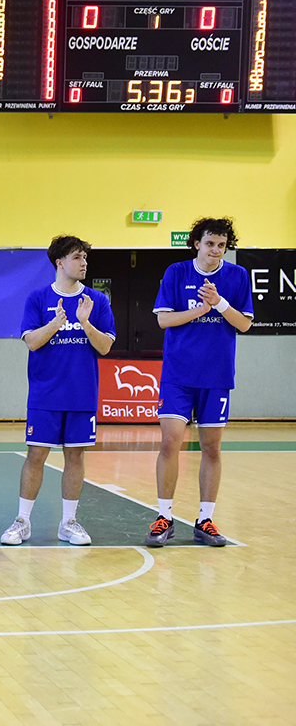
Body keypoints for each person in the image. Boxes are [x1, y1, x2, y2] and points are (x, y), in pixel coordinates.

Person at [1, 236, 114, 547]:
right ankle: (22, 521)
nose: (84, 262)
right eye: (77, 257)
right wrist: (55, 323)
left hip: (82, 394)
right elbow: (31, 342)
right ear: (59, 263)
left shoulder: (97, 300)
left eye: (85, 257)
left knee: (75, 456)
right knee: (36, 455)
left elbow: (105, 346)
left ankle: (69, 522)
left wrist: (85, 323)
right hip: (45, 395)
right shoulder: (38, 298)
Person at [146, 217, 252, 548]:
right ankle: (164, 516)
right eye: (209, 244)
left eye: (221, 245)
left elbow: (244, 324)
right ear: (197, 244)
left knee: (211, 448)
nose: (215, 251)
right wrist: (200, 310)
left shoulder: (237, 276)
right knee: (170, 443)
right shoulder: (177, 272)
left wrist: (219, 303)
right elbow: (164, 320)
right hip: (178, 375)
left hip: (216, 375)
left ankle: (205, 519)